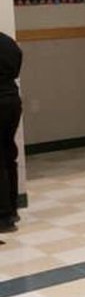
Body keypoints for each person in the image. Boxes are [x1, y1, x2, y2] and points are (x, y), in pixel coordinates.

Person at [0, 31, 22, 233]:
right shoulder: (8, 42)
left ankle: (3, 217)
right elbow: (17, 70)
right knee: (9, 155)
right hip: (12, 100)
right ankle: (13, 209)